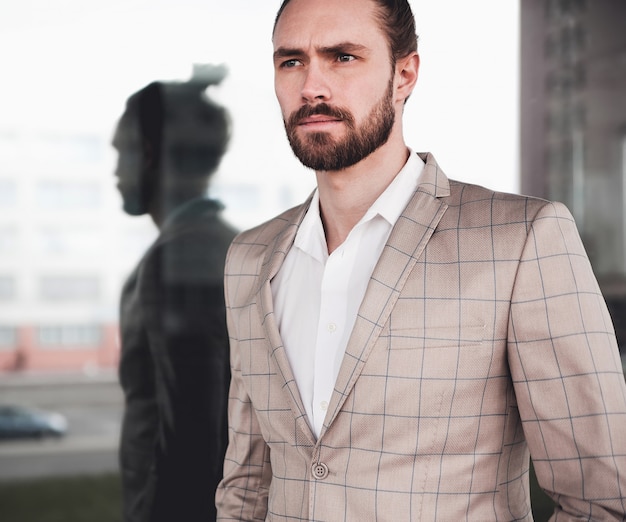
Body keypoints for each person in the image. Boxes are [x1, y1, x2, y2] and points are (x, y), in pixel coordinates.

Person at [215, 0, 626, 520]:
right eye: (291, 61)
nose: (311, 86)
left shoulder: (522, 241)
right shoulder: (249, 259)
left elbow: (602, 501)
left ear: (404, 74)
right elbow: (246, 487)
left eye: (343, 57)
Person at [113, 65, 238, 522]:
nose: (114, 171)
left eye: (120, 152)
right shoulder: (228, 245)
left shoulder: (179, 260)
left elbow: (191, 441)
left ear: (148, 155)